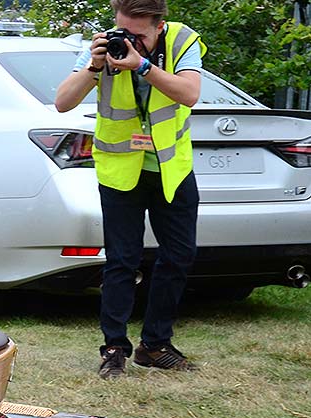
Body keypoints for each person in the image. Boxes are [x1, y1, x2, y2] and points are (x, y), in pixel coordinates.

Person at [54, 0, 205, 378]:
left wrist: (142, 66)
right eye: (124, 30)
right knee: (122, 259)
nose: (129, 40)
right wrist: (93, 66)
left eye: (138, 34)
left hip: (170, 167)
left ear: (159, 26)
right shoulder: (103, 45)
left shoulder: (182, 41)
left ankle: (155, 345)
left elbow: (189, 94)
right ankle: (114, 349)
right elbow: (62, 102)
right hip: (121, 168)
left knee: (179, 256)